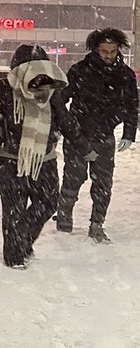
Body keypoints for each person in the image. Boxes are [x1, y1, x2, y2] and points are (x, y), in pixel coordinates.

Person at [0, 43, 84, 268]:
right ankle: (14, 257)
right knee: (14, 207)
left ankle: (20, 241)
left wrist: (83, 145)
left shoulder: (52, 90)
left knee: (48, 202)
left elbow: (64, 117)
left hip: (45, 156)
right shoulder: (3, 88)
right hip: (7, 157)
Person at [56, 27, 138, 243]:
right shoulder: (80, 70)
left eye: (112, 51)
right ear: (95, 50)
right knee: (73, 179)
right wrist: (61, 126)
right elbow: (61, 100)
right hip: (78, 135)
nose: (109, 56)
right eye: (104, 51)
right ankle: (64, 219)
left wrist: (129, 133)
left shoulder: (125, 75)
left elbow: (132, 105)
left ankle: (97, 224)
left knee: (103, 183)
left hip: (105, 136)